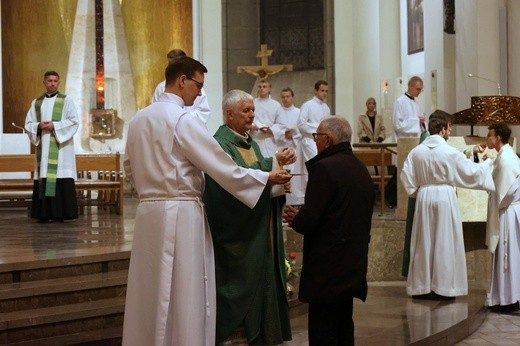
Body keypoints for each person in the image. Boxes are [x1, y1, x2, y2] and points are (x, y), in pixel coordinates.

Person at [122, 57, 291, 346]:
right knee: (184, 290)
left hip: (148, 213)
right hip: (181, 211)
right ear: (181, 80)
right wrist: (264, 178)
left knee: (149, 289)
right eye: (198, 85)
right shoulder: (182, 119)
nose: (200, 94)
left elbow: (128, 168)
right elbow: (220, 165)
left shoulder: (139, 119)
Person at [203, 89, 294, 345]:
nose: (252, 115)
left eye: (253, 110)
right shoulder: (220, 143)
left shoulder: (249, 141)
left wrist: (279, 182)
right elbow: (232, 181)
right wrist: (272, 166)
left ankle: (265, 329)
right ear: (229, 114)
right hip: (237, 230)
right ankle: (238, 329)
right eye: (246, 111)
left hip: (259, 224)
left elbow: (254, 177)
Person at [283, 116, 374, 345]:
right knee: (344, 324)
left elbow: (310, 221)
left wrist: (296, 218)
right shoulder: (360, 167)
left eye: (317, 136)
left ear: (328, 140)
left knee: (324, 329)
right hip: (351, 262)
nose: (314, 141)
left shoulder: (324, 168)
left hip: (328, 267)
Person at [400, 112, 494, 300]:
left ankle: (422, 287)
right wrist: (489, 163)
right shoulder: (449, 152)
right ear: (442, 130)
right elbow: (471, 173)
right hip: (444, 197)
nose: (450, 131)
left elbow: (406, 177)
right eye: (449, 128)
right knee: (444, 241)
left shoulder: (417, 152)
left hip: (425, 197)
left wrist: (420, 192)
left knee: (424, 242)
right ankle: (443, 288)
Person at [24, 70, 79, 222]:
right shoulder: (37, 102)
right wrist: (38, 126)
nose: (52, 83)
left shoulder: (66, 100)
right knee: (45, 177)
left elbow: (74, 121)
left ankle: (61, 213)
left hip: (61, 149)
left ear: (59, 83)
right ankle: (44, 213)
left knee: (60, 177)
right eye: (49, 81)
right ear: (44, 82)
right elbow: (28, 124)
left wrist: (54, 125)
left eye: (55, 81)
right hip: (44, 147)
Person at [484, 123, 520, 313]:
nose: (486, 138)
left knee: (508, 256)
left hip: (506, 213)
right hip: (509, 211)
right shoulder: (505, 156)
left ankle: (508, 300)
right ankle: (505, 297)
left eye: (489, 135)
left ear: (497, 138)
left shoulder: (506, 159)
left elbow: (503, 192)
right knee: (509, 256)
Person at [386, 76, 426, 208]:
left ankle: (397, 199)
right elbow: (398, 124)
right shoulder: (400, 101)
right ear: (410, 87)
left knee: (406, 172)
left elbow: (419, 122)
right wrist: (416, 122)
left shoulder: (415, 103)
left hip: (414, 143)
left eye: (421, 89)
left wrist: (422, 122)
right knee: (400, 172)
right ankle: (389, 198)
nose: (419, 92)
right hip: (403, 143)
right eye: (418, 89)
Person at [151, 48, 211, 123]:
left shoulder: (197, 88)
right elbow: (155, 110)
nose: (174, 67)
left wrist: (183, 117)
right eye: (170, 64)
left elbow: (203, 112)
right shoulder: (160, 87)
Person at [295, 80, 331, 199]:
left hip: (323, 142)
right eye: (322, 91)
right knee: (312, 168)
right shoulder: (308, 105)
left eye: (326, 91)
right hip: (310, 141)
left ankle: (321, 195)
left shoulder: (326, 108)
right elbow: (301, 124)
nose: (324, 93)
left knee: (323, 168)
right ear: (316, 91)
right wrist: (318, 129)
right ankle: (310, 196)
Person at [272, 87, 304, 205]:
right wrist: (283, 133)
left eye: (288, 96)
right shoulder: (278, 112)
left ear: (292, 97)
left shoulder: (299, 112)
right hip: (280, 147)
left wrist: (294, 135)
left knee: (294, 177)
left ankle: (294, 204)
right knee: (281, 176)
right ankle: (282, 204)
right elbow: (274, 128)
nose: (285, 99)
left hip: (295, 148)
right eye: (283, 97)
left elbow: (302, 130)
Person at [250, 78, 282, 158]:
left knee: (271, 163)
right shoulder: (252, 103)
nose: (262, 89)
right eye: (260, 87)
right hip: (256, 138)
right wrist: (253, 126)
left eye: (264, 87)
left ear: (269, 88)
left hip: (269, 139)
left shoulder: (276, 105)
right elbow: (248, 117)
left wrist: (271, 130)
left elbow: (280, 124)